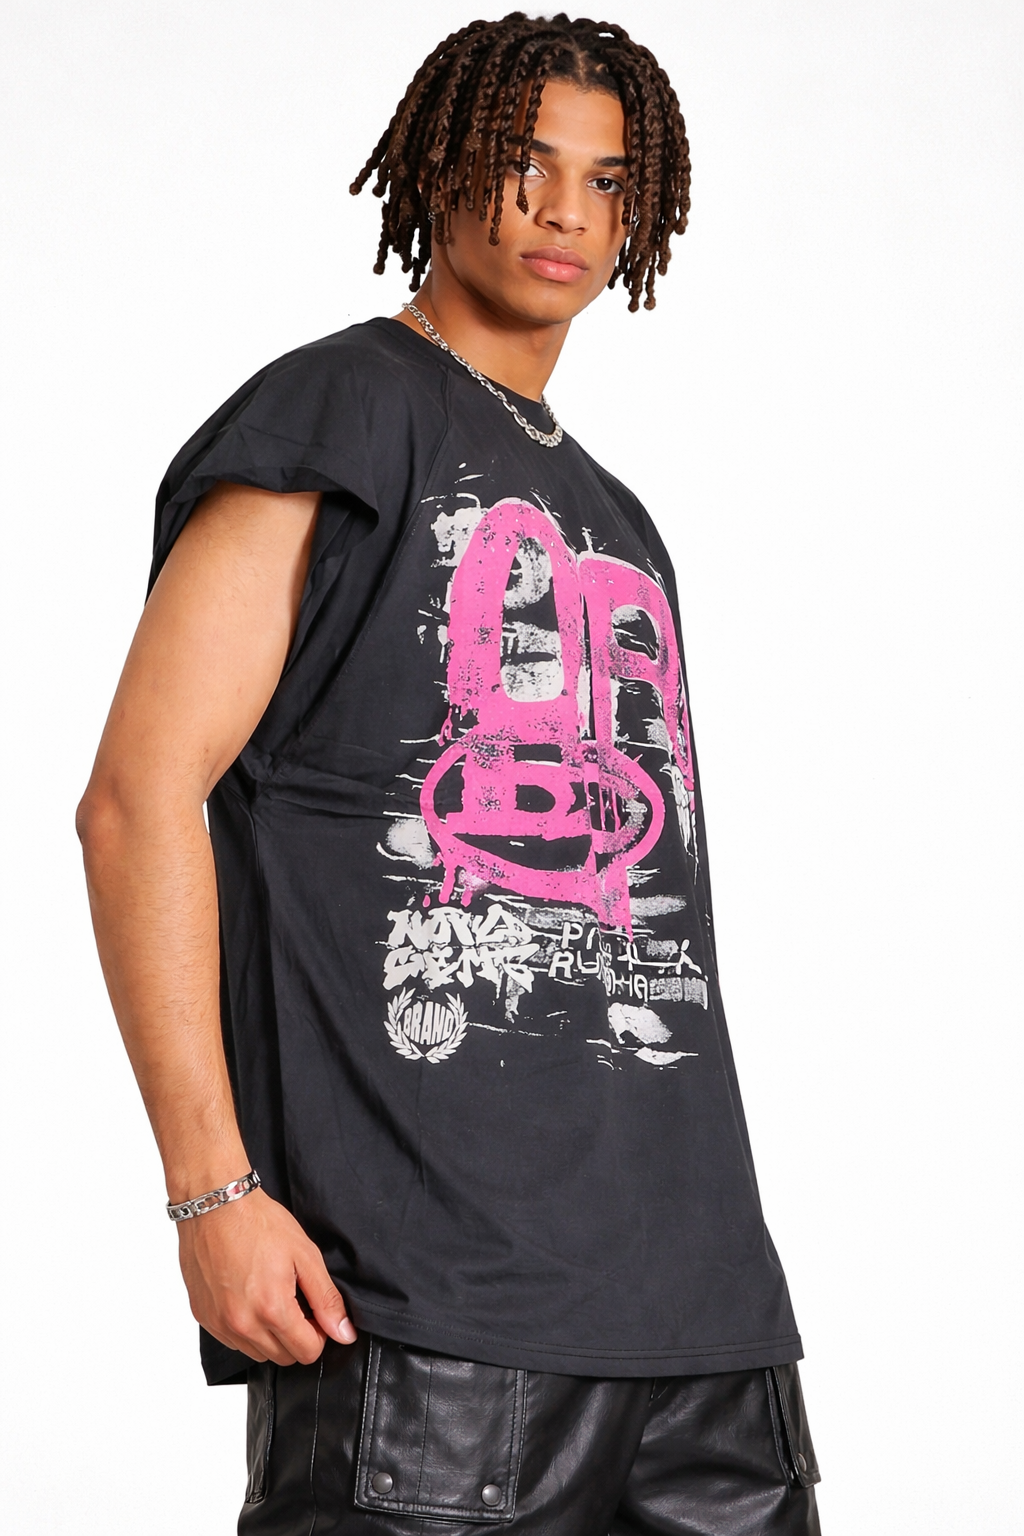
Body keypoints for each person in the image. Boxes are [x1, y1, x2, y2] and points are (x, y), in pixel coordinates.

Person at [77, 13, 821, 1534]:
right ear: (441, 167)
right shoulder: (338, 411)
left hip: (705, 1333)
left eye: (607, 182)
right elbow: (137, 796)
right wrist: (211, 1192)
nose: (565, 212)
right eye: (524, 164)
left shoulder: (618, 514)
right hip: (424, 1322)